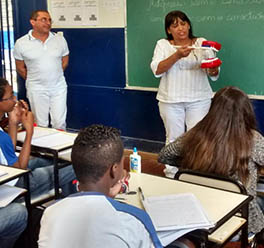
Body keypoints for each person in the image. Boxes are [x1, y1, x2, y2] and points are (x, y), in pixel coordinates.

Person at [38, 124, 195, 248]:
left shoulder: (50, 212)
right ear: (114, 170)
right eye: (121, 163)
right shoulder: (132, 218)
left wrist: (107, 196)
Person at [158, 86, 264, 236]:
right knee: (258, 202)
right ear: (246, 112)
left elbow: (164, 155)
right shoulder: (253, 139)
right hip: (239, 223)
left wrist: (189, 162)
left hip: (200, 215)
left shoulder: (195, 134)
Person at [150, 10, 220, 178]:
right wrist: (176, 56)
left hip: (199, 99)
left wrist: (213, 67)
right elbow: (157, 70)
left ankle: (196, 173)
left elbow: (213, 73)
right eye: (175, 25)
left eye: (183, 23)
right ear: (169, 30)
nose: (180, 28)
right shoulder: (163, 45)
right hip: (170, 100)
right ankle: (172, 174)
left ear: (189, 25)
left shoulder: (202, 43)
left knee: (198, 139)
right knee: (174, 139)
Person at [0, 77, 76, 199]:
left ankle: (64, 199)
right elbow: (19, 169)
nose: (15, 99)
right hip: (17, 185)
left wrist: (13, 123)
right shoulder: (1, 137)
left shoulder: (2, 135)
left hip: (9, 176)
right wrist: (29, 130)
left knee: (56, 161)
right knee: (74, 166)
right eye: (10, 97)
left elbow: (8, 153)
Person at [13, 9, 69, 130]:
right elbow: (20, 68)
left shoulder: (59, 40)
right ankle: (44, 148)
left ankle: (59, 147)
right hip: (36, 88)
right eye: (43, 19)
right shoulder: (21, 43)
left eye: (49, 20)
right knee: (41, 124)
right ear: (32, 22)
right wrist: (36, 78)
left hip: (58, 87)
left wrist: (53, 74)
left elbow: (65, 61)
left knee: (59, 123)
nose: (48, 23)